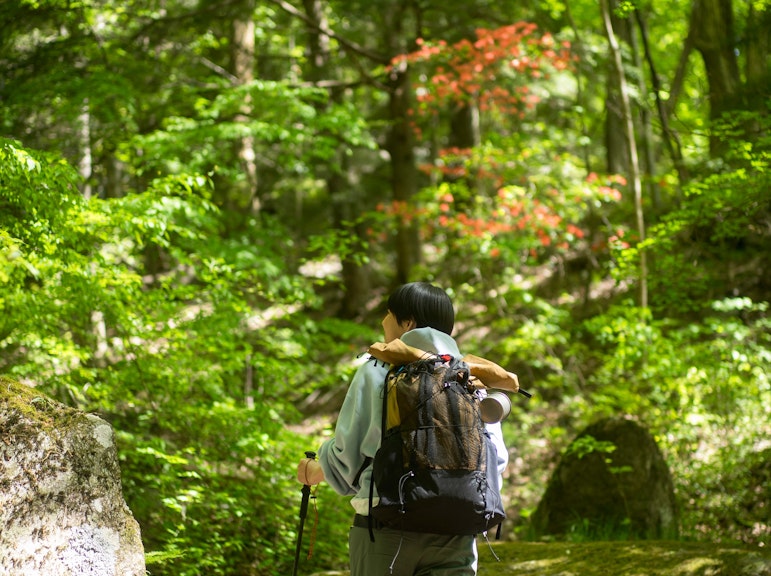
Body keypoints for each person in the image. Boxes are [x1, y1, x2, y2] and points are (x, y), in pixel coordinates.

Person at [297, 282, 515, 576]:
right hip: (457, 533)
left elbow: (349, 458)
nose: (383, 321)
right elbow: (495, 459)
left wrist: (317, 467)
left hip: (386, 528)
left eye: (389, 314)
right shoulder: (471, 376)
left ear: (408, 322)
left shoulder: (377, 370)